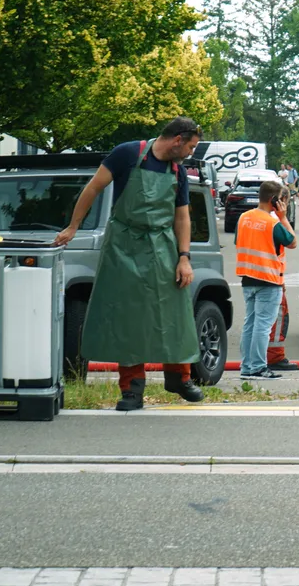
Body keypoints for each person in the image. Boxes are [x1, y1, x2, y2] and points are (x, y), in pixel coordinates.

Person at [53, 117, 207, 411]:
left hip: (162, 245)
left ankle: (179, 377)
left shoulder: (178, 170)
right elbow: (93, 188)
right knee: (127, 316)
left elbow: (182, 216)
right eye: (191, 146)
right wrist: (73, 226)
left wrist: (184, 258)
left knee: (174, 311)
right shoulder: (127, 153)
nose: (191, 152)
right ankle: (132, 390)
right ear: (177, 140)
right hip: (123, 244)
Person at [235, 180, 297, 379]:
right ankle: (258, 367)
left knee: (250, 324)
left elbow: (239, 241)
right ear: (274, 200)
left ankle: (247, 367)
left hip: (248, 278)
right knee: (263, 326)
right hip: (268, 280)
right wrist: (283, 217)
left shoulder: (244, 218)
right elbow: (292, 242)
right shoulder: (273, 223)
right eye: (281, 200)